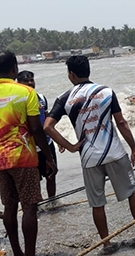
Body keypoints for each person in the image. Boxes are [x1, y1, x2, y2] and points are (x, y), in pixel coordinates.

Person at [43, 56, 135, 255]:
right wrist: (134, 149)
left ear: (71, 74)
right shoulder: (106, 92)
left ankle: (107, 244)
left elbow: (47, 126)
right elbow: (121, 123)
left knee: (97, 203)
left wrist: (69, 146)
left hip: (89, 158)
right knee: (132, 192)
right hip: (115, 153)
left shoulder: (65, 97)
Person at [0, 50, 56, 256]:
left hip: (0, 161)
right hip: (24, 157)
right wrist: (48, 158)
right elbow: (35, 128)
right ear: (15, 69)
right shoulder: (26, 92)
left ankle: (17, 252)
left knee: (9, 207)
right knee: (29, 207)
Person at [16, 71, 58, 199]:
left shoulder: (41, 98)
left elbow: (47, 121)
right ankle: (37, 204)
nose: (30, 83)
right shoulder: (19, 100)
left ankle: (52, 201)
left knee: (51, 174)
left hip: (46, 143)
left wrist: (57, 139)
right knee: (34, 179)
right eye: (26, 81)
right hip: (29, 146)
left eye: (31, 80)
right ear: (19, 83)